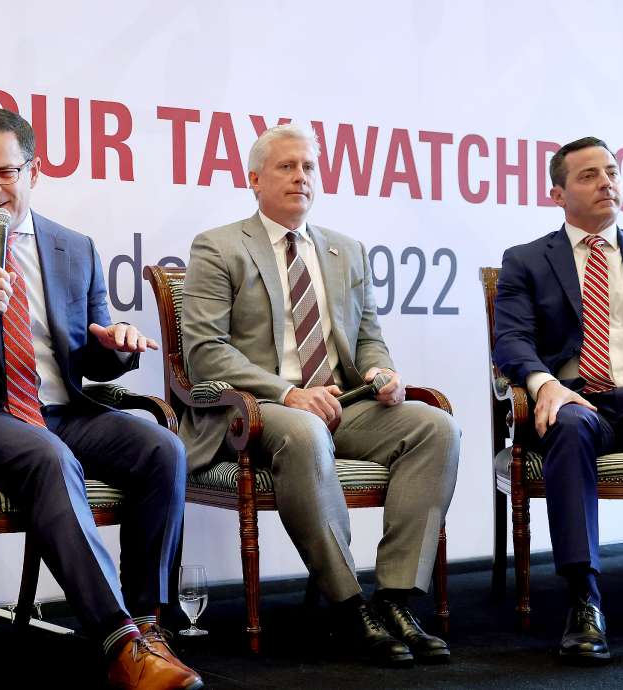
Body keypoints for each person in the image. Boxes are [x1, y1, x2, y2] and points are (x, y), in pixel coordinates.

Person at [0, 107, 200, 690]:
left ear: (35, 170)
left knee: (163, 449)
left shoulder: (73, 247)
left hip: (66, 409)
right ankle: (119, 643)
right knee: (49, 458)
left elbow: (94, 352)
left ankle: (150, 624)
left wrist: (118, 345)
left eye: (5, 172)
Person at [179, 123, 460, 667]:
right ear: (254, 178)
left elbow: (369, 338)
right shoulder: (218, 246)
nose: (301, 177)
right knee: (305, 429)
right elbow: (205, 353)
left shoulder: (346, 251)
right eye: (287, 167)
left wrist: (382, 373)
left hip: (342, 405)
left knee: (436, 427)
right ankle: (348, 604)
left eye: (309, 167)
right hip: (255, 413)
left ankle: (398, 599)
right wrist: (287, 393)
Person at [493, 136, 623, 664]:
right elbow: (510, 340)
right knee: (570, 427)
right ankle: (585, 601)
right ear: (557, 193)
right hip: (577, 400)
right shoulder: (527, 260)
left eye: (612, 172)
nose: (607, 182)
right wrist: (543, 383)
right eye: (589, 176)